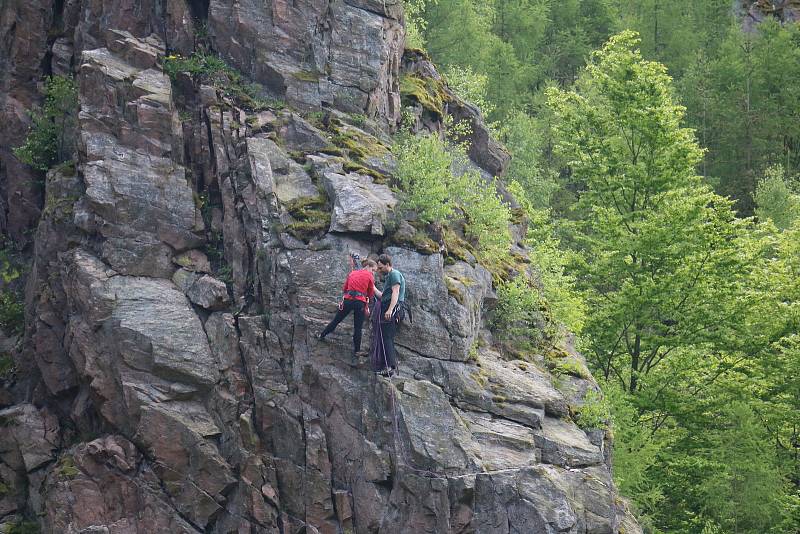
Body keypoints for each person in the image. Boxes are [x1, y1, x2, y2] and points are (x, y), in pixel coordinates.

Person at [319, 258, 378, 358]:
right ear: (368, 267)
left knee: (336, 320)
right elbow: (371, 293)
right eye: (373, 270)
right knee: (358, 328)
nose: (373, 273)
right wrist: (368, 305)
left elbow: (344, 288)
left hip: (348, 300)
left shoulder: (352, 273)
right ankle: (357, 351)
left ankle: (322, 335)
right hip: (360, 302)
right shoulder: (370, 276)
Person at [373, 254, 405, 376]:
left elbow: (395, 292)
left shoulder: (394, 274)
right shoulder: (389, 277)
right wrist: (373, 287)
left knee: (387, 337)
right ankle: (388, 366)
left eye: (381, 268)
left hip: (393, 308)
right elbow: (383, 296)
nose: (379, 271)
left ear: (387, 264)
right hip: (387, 306)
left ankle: (390, 368)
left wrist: (390, 310)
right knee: (386, 337)